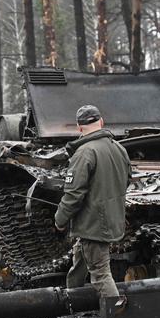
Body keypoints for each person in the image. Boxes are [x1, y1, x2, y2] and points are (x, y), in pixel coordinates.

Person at [54, 104, 131, 300]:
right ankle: (73, 301)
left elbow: (73, 195)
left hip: (93, 223)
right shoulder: (120, 149)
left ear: (79, 128)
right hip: (112, 219)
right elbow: (126, 181)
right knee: (80, 259)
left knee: (100, 275)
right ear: (102, 122)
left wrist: (60, 220)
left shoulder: (84, 152)